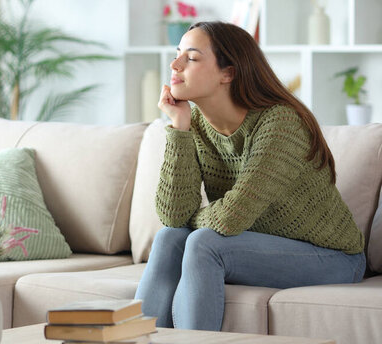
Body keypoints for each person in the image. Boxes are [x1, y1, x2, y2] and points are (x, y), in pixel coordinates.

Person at [134, 21, 365, 331]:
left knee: (203, 242)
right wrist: (179, 128)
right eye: (178, 55)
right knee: (169, 238)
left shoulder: (280, 122)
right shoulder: (197, 124)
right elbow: (174, 218)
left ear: (227, 73)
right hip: (260, 246)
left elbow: (230, 218)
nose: (175, 65)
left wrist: (196, 221)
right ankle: (132, 340)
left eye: (191, 57)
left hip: (334, 259)